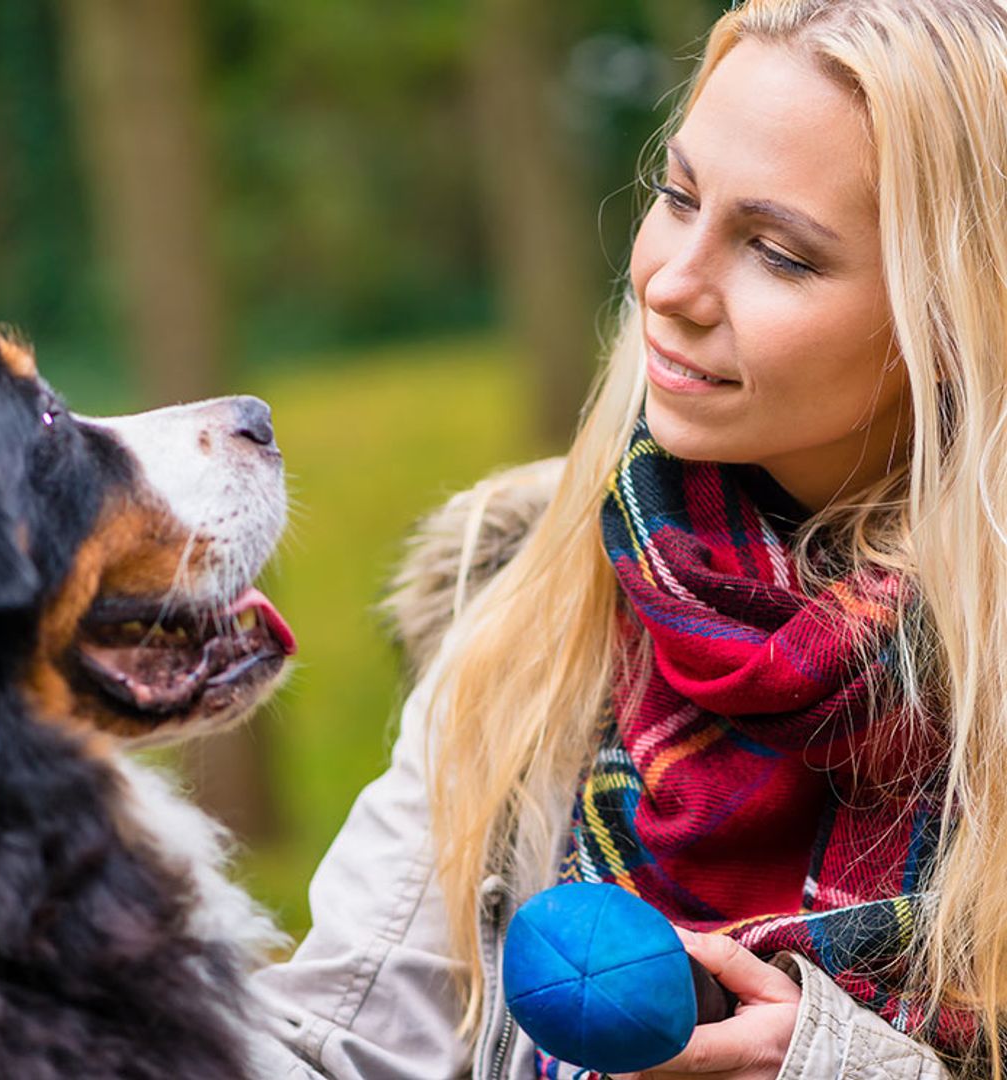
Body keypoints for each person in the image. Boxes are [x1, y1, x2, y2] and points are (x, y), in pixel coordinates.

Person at [250, 1, 1007, 1077]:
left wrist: (840, 1065)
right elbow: (341, 1047)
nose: (669, 281)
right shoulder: (538, 605)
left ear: (957, 319)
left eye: (779, 252)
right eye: (677, 197)